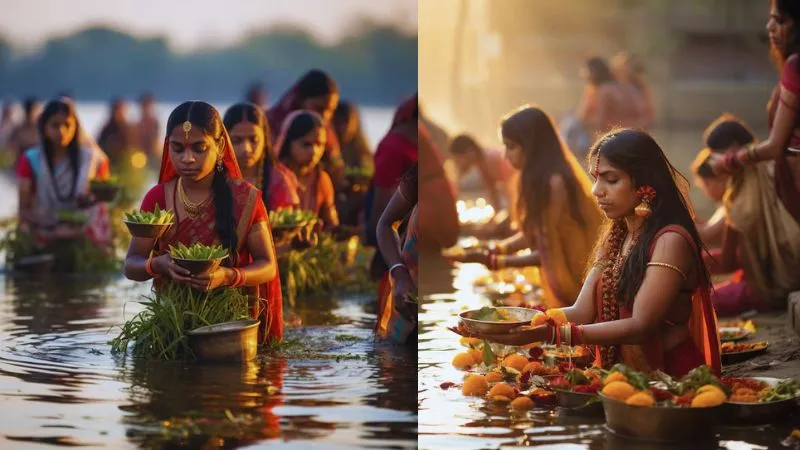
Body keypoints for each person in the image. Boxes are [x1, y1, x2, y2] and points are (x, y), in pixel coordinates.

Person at [458, 129, 721, 377]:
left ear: (644, 184)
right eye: (596, 179)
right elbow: (582, 310)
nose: (597, 191)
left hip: (675, 379)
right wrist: (515, 322)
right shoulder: (616, 236)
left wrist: (552, 336)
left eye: (611, 179)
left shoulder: (670, 241)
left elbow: (641, 325)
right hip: (623, 376)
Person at [123, 101, 283, 343]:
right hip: (172, 328)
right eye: (178, 148)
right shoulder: (158, 197)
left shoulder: (246, 198)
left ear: (219, 146)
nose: (187, 158)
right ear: (168, 147)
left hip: (232, 328)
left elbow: (268, 266)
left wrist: (228, 276)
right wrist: (158, 265)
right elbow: (131, 264)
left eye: (199, 148)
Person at [451, 106, 603, 309]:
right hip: (562, 277)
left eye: (511, 147)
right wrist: (494, 249)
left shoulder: (554, 183)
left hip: (577, 278)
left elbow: (547, 252)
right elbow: (534, 235)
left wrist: (496, 261)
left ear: (533, 147)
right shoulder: (533, 181)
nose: (505, 155)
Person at [693, 115, 800, 317]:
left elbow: (726, 261)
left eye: (715, 157)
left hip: (769, 286)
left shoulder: (740, 197)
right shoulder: (776, 167)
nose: (715, 165)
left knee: (698, 303)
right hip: (781, 272)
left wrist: (684, 266)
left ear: (732, 152)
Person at [707, 0, 800, 224]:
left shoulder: (795, 65)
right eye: (770, 18)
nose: (769, 27)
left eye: (780, 20)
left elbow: (776, 145)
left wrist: (730, 161)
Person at [16, 98, 112, 251]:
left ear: (76, 127)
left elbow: (100, 207)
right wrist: (53, 227)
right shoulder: (30, 160)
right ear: (44, 127)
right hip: (45, 230)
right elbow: (23, 211)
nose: (62, 131)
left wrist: (74, 226)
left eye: (67, 125)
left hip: (83, 232)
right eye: (55, 125)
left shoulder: (91, 159)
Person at [366, 94, 419, 279]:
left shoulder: (419, 149)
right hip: (396, 253)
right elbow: (382, 218)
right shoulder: (394, 147)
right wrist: (397, 268)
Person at [268, 69, 344, 186]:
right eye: (318, 108)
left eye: (330, 111)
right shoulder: (271, 126)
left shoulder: (326, 134)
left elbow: (337, 169)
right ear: (301, 101)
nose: (324, 116)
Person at [223, 102, 298, 211]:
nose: (246, 149)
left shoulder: (278, 180)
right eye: (236, 140)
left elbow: (284, 224)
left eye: (254, 140)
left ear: (265, 140)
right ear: (223, 141)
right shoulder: (212, 177)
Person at [375, 165, 418, 345]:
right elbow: (385, 224)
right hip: (406, 302)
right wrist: (399, 274)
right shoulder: (417, 178)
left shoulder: (440, 183)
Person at [275, 110, 339, 231]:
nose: (314, 151)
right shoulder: (274, 176)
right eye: (306, 144)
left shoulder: (321, 179)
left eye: (319, 144)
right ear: (289, 143)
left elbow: (331, 223)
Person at [448, 133, 518, 216]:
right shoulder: (481, 164)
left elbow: (513, 188)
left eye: (458, 159)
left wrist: (510, 215)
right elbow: (492, 192)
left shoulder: (491, 158)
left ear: (470, 152)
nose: (457, 164)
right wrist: (497, 215)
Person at [576, 57, 640, 139]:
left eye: (587, 71)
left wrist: (582, 122)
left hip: (613, 135)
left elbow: (600, 121)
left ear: (594, 72)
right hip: (624, 133)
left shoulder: (605, 90)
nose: (585, 74)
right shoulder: (610, 87)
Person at [333, 100, 373, 227]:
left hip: (357, 209)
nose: (343, 128)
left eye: (347, 122)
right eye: (339, 122)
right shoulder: (327, 149)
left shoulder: (362, 151)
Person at [611, 51, 655, 130]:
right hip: (618, 132)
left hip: (638, 132)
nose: (628, 70)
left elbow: (649, 115)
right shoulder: (611, 89)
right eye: (625, 66)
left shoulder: (641, 89)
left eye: (631, 67)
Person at [97, 97, 138, 166]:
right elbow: (100, 144)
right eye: (116, 110)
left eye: (120, 110)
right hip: (111, 160)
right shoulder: (107, 128)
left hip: (125, 161)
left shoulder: (128, 129)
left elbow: (134, 146)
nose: (118, 113)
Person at [135, 93, 161, 166]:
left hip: (152, 155)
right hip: (140, 155)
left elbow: (155, 143)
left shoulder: (154, 122)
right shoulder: (138, 124)